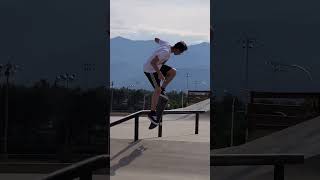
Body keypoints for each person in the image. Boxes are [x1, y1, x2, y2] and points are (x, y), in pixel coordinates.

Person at [143, 38, 188, 126]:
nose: (180, 54)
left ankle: (163, 89)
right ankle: (152, 113)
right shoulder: (165, 52)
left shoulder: (167, 44)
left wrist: (157, 40)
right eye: (181, 52)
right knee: (157, 90)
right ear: (177, 49)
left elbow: (156, 39)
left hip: (158, 67)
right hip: (150, 70)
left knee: (173, 71)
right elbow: (153, 62)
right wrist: (159, 74)